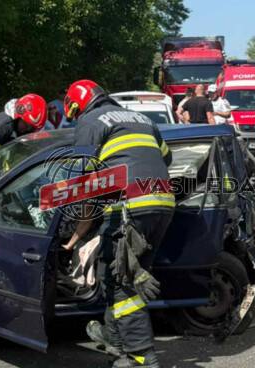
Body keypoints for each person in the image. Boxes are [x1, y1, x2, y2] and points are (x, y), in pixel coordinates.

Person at [63, 79, 174, 368]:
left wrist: (77, 233)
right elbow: (167, 157)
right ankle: (116, 341)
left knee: (124, 285)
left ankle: (143, 357)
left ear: (78, 105)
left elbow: (86, 184)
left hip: (129, 209)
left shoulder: (90, 121)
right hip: (163, 203)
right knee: (122, 277)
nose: (76, 119)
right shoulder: (140, 118)